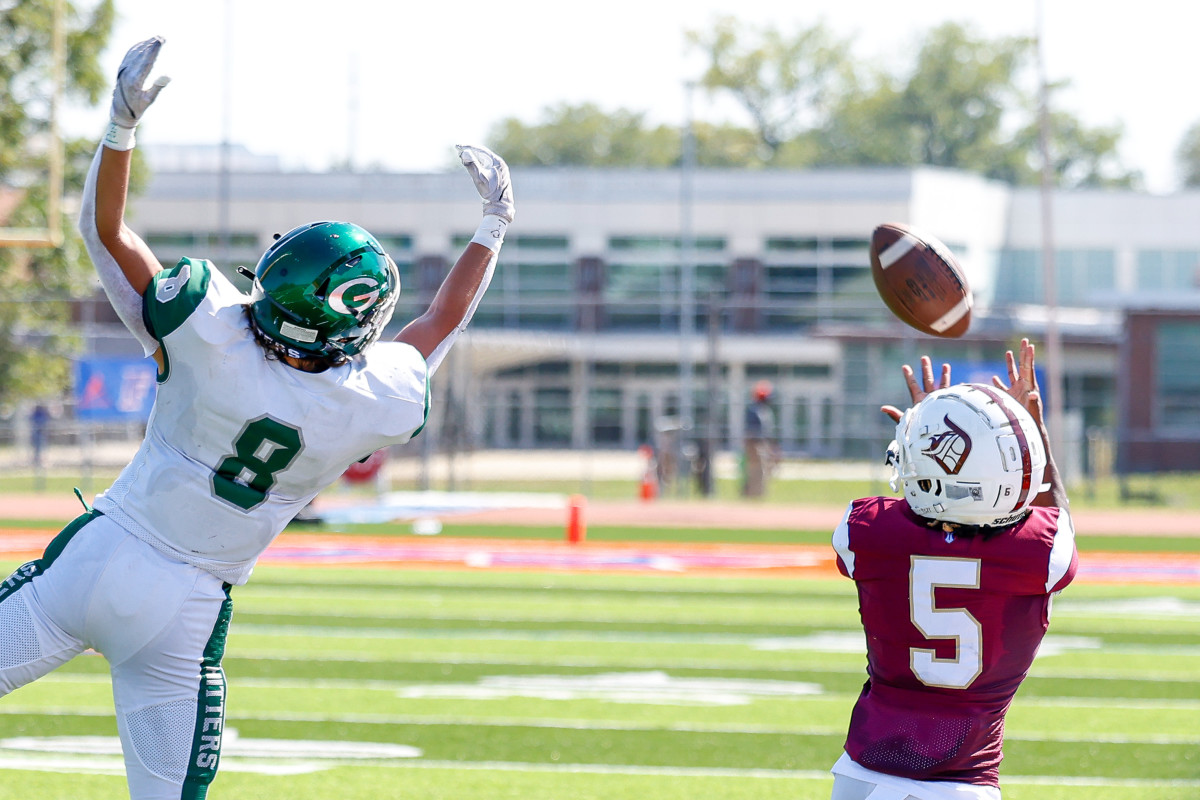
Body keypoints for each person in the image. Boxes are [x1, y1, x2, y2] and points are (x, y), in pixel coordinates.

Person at [0, 36, 513, 800]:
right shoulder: (372, 399)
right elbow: (439, 322)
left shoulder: (208, 329)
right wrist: (493, 224)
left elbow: (106, 234)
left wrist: (120, 128)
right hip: (184, 611)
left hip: (92, 559)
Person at [829, 339, 1077, 800]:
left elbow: (922, 515)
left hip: (860, 775)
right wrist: (1035, 435)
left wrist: (929, 441)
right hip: (960, 785)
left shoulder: (868, 531)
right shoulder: (1035, 552)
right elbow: (1057, 522)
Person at [742, 379, 778, 497]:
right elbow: (753, 431)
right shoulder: (754, 410)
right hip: (755, 445)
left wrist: (772, 446)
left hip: (762, 445)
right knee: (757, 470)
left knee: (762, 470)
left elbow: (767, 433)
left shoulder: (764, 411)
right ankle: (753, 494)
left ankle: (754, 494)